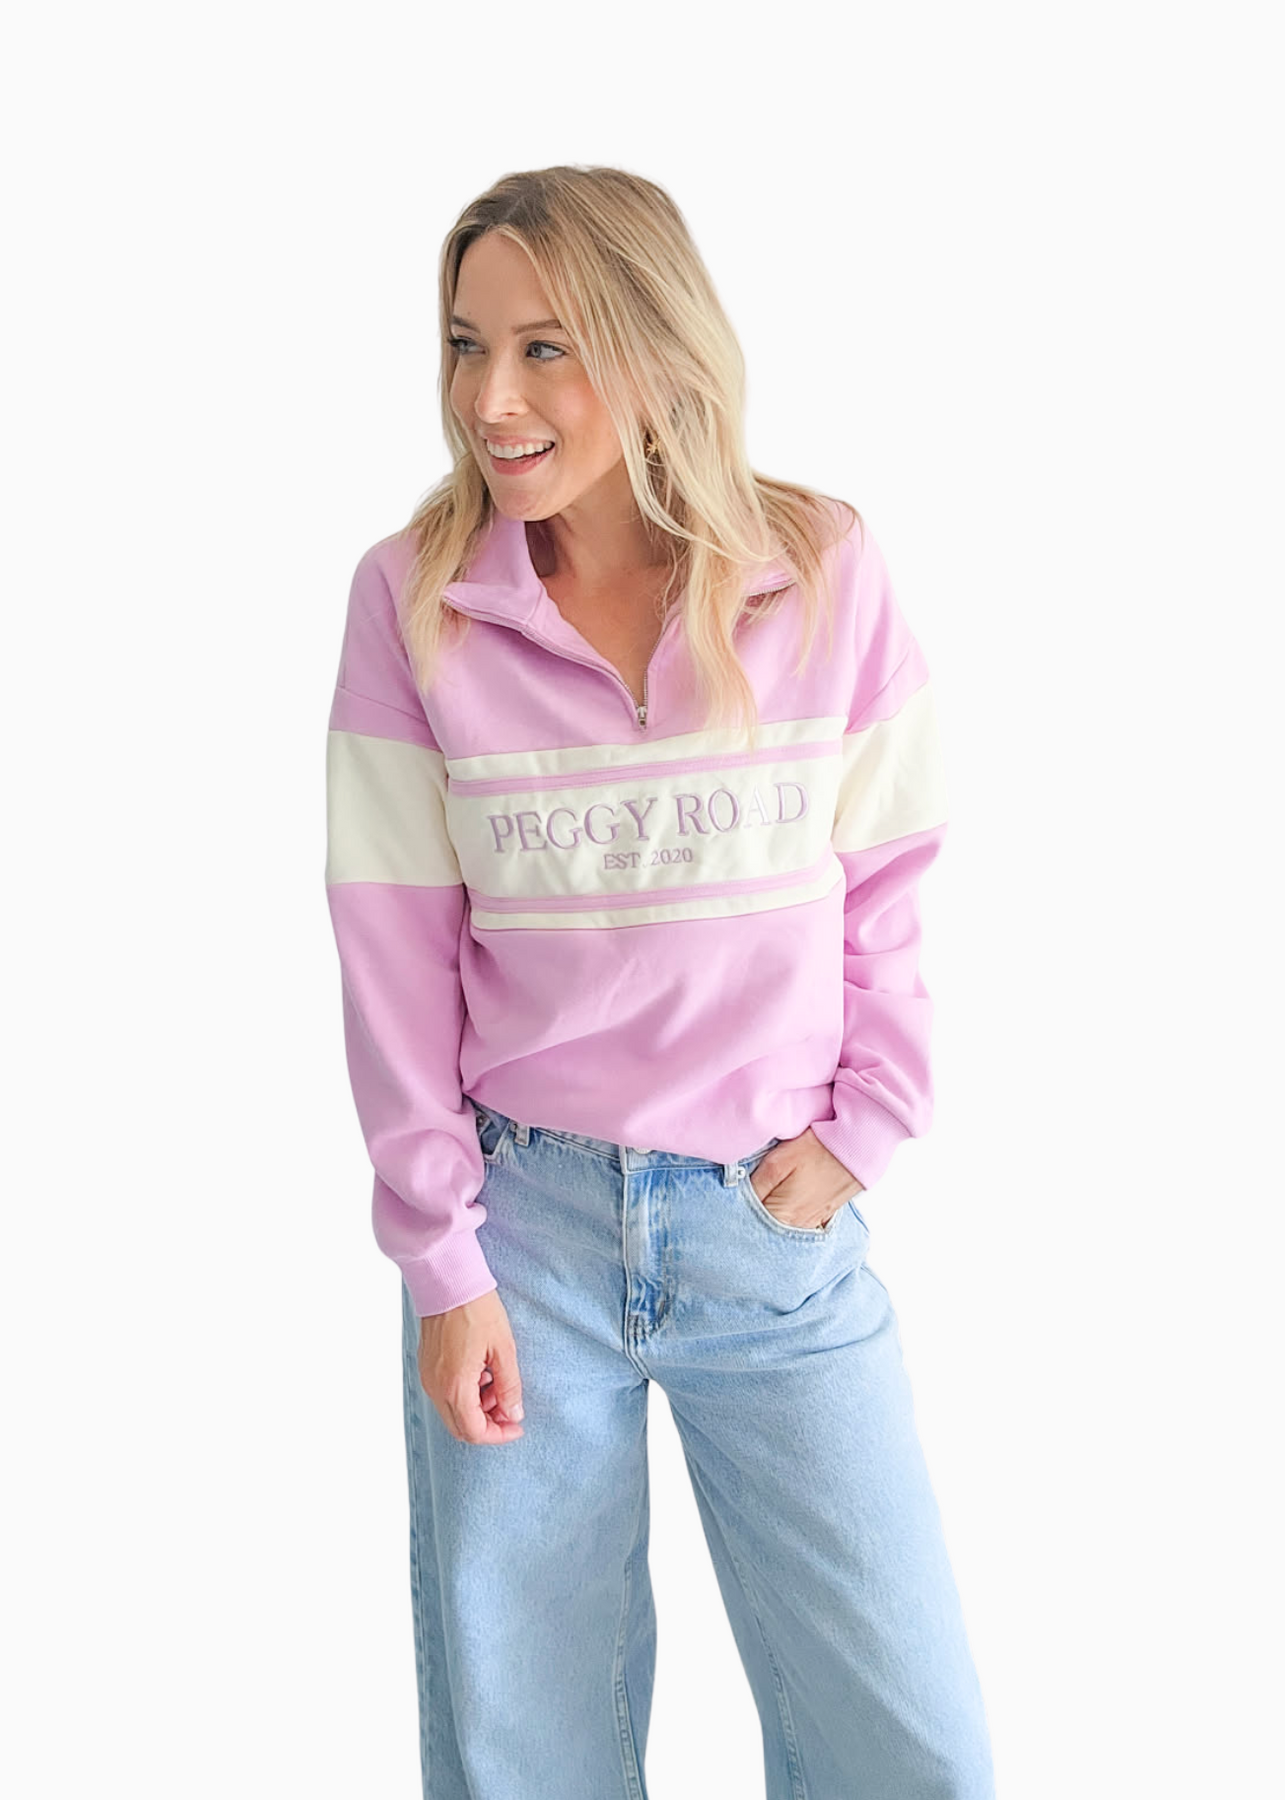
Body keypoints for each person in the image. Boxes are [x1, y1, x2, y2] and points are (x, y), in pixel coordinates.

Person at [324, 164, 996, 1799]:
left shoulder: (819, 569)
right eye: (467, 345)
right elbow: (391, 948)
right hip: (522, 1242)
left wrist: (874, 1116)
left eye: (544, 348)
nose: (491, 398)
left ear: (655, 345)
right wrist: (444, 1262)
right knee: (529, 1758)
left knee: (908, 1747)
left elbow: (891, 873)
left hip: (772, 1229)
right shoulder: (415, 603)